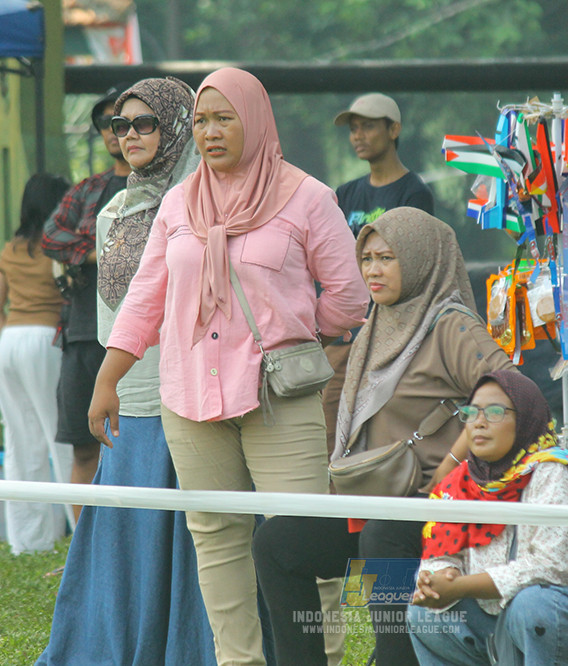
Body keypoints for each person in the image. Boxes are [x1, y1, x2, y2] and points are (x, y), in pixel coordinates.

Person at [86, 67, 368, 665]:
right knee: (216, 539)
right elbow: (145, 295)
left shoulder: (308, 197)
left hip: (278, 397)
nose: (210, 132)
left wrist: (292, 328)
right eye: (201, 121)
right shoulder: (180, 202)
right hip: (188, 395)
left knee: (305, 538)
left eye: (224, 118)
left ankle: (323, 658)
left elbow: (348, 294)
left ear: (256, 119)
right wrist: (108, 377)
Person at [252, 207, 515, 666]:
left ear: (419, 260)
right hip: (374, 505)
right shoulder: (379, 323)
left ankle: (394, 657)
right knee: (277, 544)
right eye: (367, 258)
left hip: (432, 513)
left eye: (387, 257)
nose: (372, 270)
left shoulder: (449, 324)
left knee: (381, 541)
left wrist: (451, 466)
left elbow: (512, 391)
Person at [35, 78, 219, 665]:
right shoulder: (115, 208)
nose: (129, 136)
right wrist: (108, 381)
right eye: (120, 126)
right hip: (131, 390)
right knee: (129, 527)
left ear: (178, 126)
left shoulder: (208, 199)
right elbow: (123, 307)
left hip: (196, 390)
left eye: (145, 123)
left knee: (199, 534)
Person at [406, 369, 568, 666]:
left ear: (525, 417)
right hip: (500, 619)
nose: (479, 422)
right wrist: (438, 578)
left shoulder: (554, 472)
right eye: (471, 412)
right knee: (422, 615)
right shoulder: (460, 482)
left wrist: (461, 586)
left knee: (532, 607)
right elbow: (443, 551)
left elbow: (552, 569)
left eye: (494, 412)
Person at [323, 93, 436, 450]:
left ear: (394, 130)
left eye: (368, 126)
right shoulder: (346, 193)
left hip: (393, 337)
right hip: (345, 335)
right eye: (353, 129)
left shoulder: (414, 193)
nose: (358, 135)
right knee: (330, 431)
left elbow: (416, 267)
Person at [42, 84, 131, 522]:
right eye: (107, 126)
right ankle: (82, 553)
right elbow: (51, 237)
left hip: (143, 338)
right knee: (84, 446)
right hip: (82, 331)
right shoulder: (89, 189)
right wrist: (98, 250)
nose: (117, 133)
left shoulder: (170, 187)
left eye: (128, 122)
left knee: (142, 450)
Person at [0, 173, 70, 555]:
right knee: (62, 437)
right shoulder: (61, 248)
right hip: (45, 341)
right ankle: (79, 527)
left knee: (19, 443)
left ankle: (27, 541)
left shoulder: (10, 249)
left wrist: (13, 335)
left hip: (9, 344)